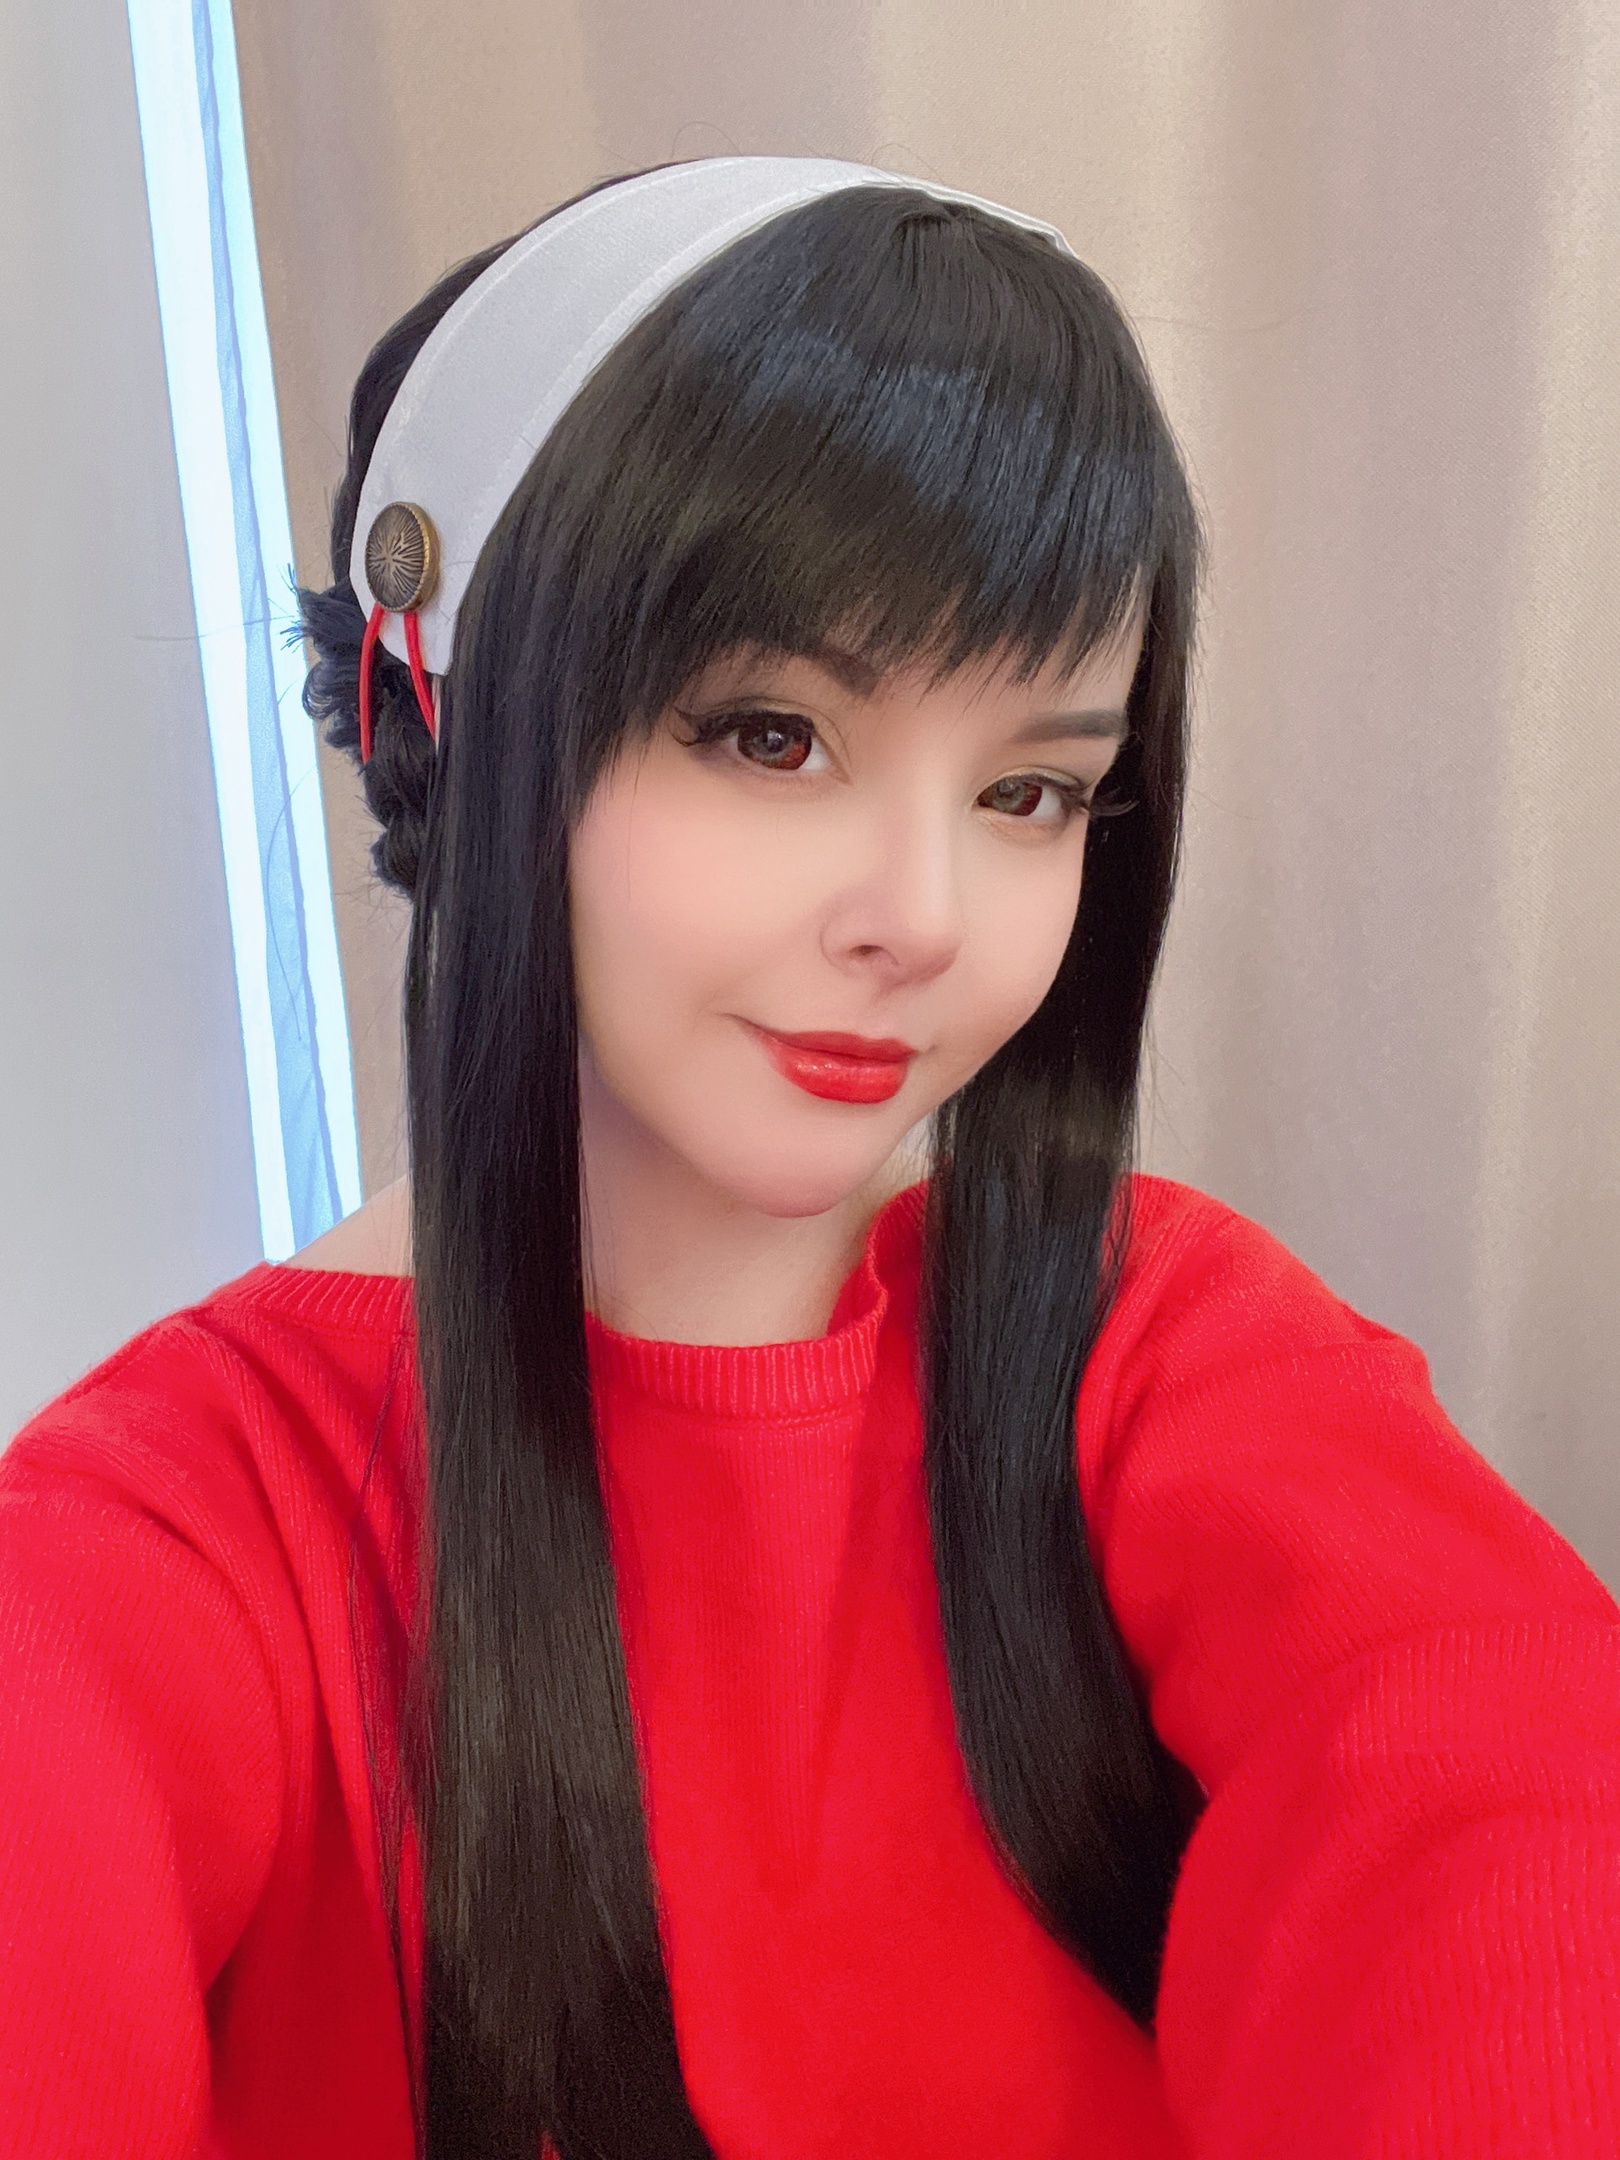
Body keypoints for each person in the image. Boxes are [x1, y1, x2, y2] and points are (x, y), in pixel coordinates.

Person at [1, 157, 1616, 2160]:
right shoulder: (170, 1534)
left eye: (1033, 791)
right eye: (772, 736)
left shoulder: (1164, 1350)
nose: (922, 917)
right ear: (446, 708)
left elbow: (1496, 1778)